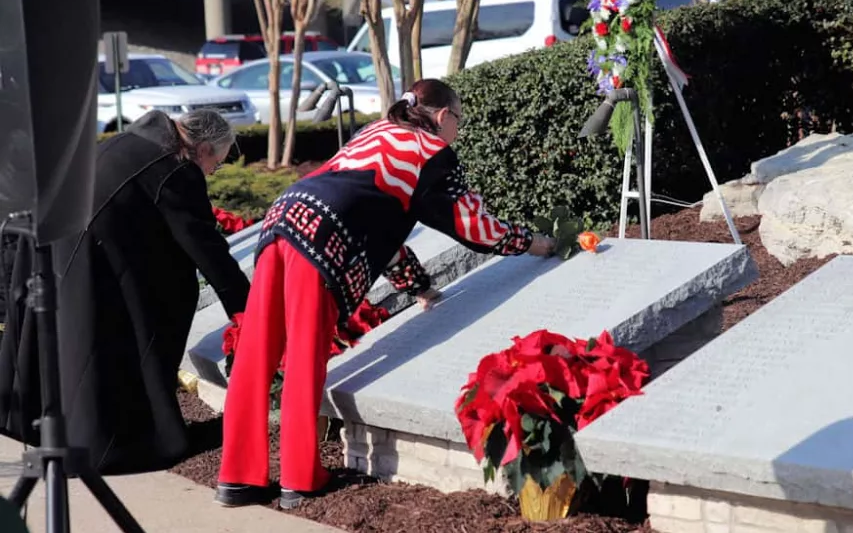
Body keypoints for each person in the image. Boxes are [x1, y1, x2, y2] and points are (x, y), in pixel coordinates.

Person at [216, 79, 557, 509]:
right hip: (322, 240)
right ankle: (299, 479)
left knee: (256, 351)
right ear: (443, 116)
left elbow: (379, 226)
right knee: (305, 354)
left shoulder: (377, 132)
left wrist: (418, 287)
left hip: (284, 218)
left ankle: (237, 477)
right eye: (460, 121)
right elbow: (474, 227)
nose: (459, 132)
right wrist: (533, 243)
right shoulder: (431, 152)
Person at [0, 109, 250, 475]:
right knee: (108, 339)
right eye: (217, 164)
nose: (212, 173)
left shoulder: (135, 141)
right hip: (87, 250)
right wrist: (246, 307)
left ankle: (47, 427)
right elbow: (204, 246)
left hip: (57, 242)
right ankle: (112, 440)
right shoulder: (176, 169)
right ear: (204, 149)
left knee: (67, 346)